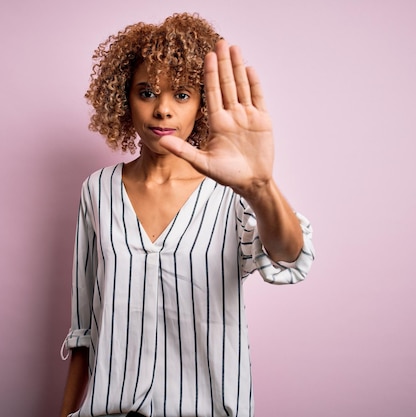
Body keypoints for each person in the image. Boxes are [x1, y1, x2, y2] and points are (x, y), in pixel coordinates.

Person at [59, 13, 315, 417]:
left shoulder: (232, 191)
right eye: (146, 92)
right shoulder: (98, 191)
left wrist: (260, 186)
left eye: (180, 94)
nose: (162, 110)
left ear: (202, 104)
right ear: (124, 99)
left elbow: (288, 257)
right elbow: (84, 330)